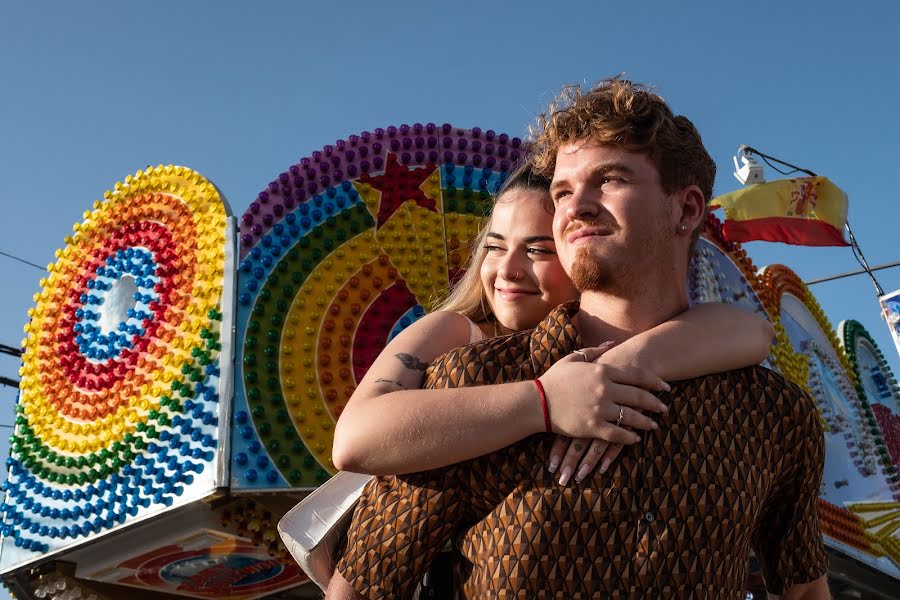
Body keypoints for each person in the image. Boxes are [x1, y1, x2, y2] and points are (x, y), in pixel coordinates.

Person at [329, 78, 830, 599]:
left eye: (609, 180)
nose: (576, 206)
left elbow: (805, 587)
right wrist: (543, 402)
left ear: (686, 210)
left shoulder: (774, 412)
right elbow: (361, 587)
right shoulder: (472, 382)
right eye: (563, 191)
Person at [331, 161, 774, 484]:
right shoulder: (460, 331)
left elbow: (753, 331)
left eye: (539, 250)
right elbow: (353, 440)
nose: (508, 270)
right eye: (496, 247)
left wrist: (623, 362)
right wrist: (544, 402)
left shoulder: (597, 346)